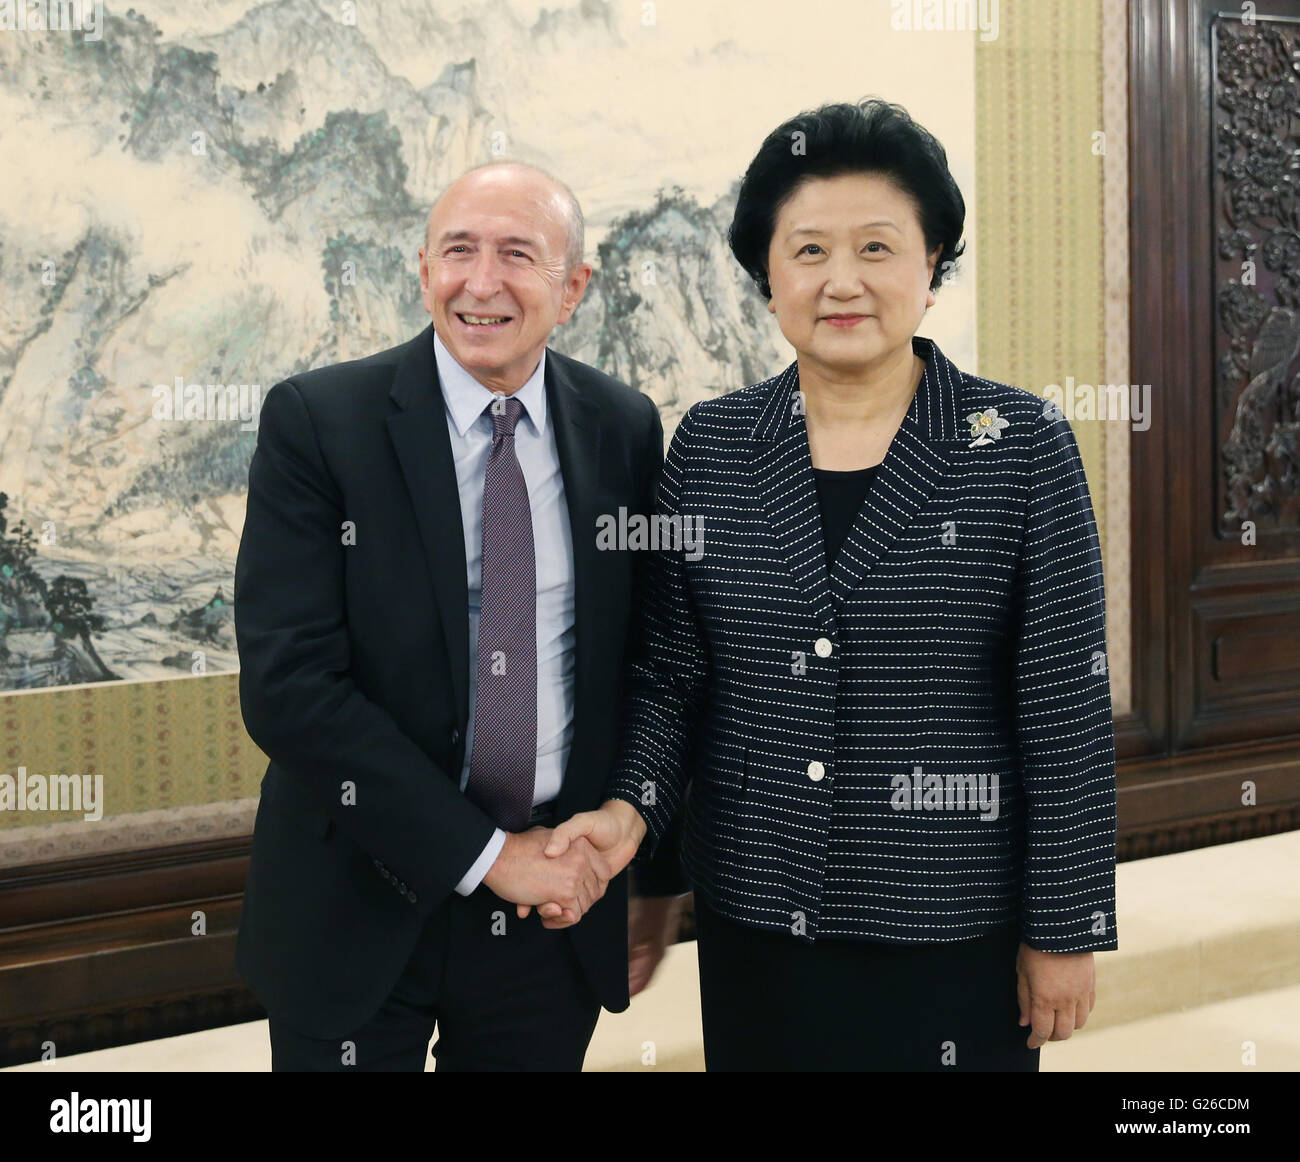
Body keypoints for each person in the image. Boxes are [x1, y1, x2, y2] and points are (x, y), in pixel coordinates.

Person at [544, 98, 1120, 1071]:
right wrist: (646, 856)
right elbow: (672, 678)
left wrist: (1065, 925)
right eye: (807, 251)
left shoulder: (1019, 446)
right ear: (767, 279)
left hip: (952, 921)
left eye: (877, 248)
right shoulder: (712, 446)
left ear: (931, 265)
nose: (841, 280)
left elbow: (1064, 703)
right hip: (758, 917)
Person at [234, 159, 685, 1072]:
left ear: (573, 288)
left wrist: (631, 834)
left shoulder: (623, 427)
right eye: (458, 252)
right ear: (423, 267)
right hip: (357, 899)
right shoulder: (320, 423)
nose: (482, 283)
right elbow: (289, 689)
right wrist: (487, 854)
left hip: (549, 918)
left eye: (518, 254)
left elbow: (652, 659)